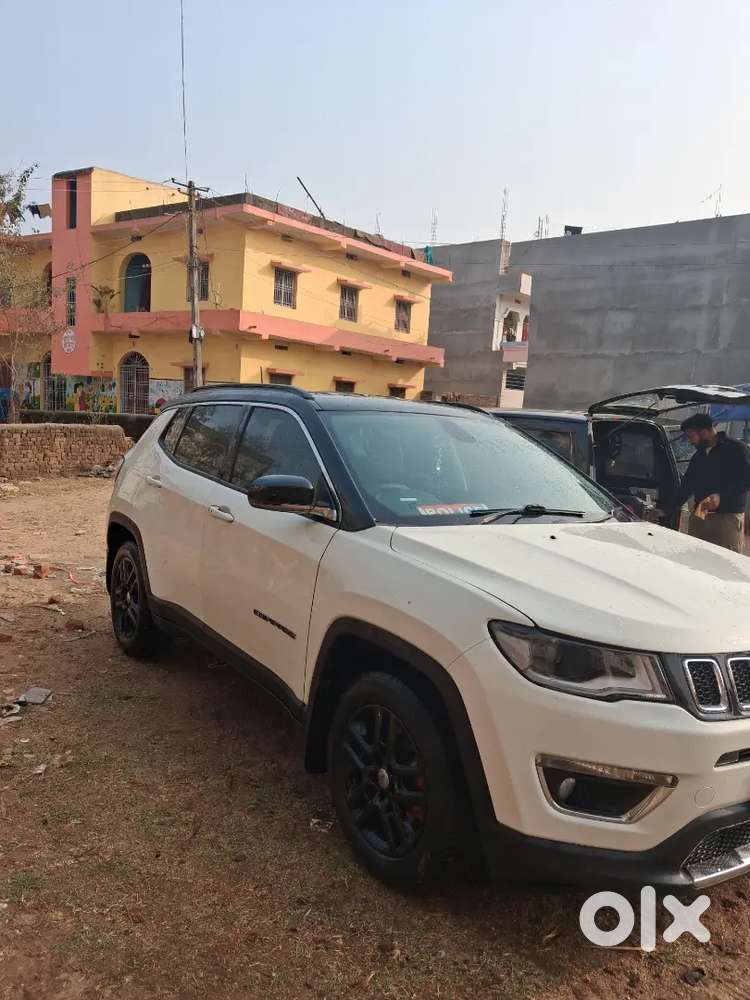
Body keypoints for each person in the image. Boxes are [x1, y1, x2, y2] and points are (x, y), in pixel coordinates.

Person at [673, 413, 750, 552]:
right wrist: (668, 507)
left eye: (691, 437)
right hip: (700, 517)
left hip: (726, 520)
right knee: (694, 562)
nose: (690, 442)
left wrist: (722, 496)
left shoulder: (737, 449)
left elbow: (746, 480)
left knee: (724, 565)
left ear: (704, 433)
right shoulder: (699, 456)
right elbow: (687, 485)